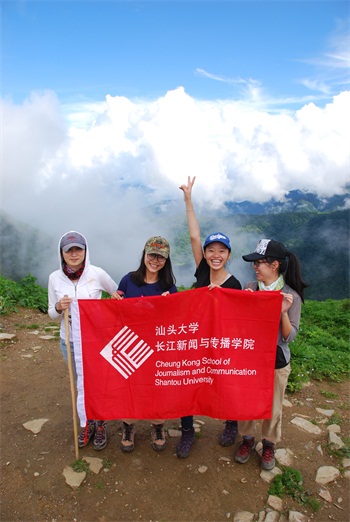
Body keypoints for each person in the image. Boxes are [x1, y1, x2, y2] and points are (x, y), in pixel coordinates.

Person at [178, 176, 242, 458]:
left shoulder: (234, 284)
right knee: (188, 383)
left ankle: (231, 423)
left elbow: (239, 319)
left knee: (224, 382)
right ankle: (188, 431)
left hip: (221, 343)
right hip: (195, 339)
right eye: (211, 250)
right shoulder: (202, 273)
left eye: (222, 251)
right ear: (205, 254)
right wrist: (188, 201)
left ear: (228, 255)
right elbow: (193, 235)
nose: (216, 255)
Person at [234, 238, 307, 470]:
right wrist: (242, 304)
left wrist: (283, 312)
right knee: (245, 401)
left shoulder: (290, 296)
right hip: (250, 358)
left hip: (276, 361)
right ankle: (247, 438)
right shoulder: (249, 287)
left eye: (259, 263)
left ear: (274, 265)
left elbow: (289, 337)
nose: (254, 267)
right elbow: (238, 326)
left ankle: (268, 444)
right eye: (254, 263)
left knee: (273, 406)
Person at [48, 231, 118, 451]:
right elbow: (51, 313)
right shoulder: (54, 278)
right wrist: (59, 307)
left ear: (86, 251)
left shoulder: (97, 274)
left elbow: (117, 295)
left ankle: (100, 424)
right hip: (68, 340)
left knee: (96, 383)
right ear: (62, 253)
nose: (74, 254)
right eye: (69, 250)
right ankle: (86, 423)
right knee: (80, 384)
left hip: (94, 341)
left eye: (78, 249)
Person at [115, 236, 177, 453]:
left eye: (161, 257)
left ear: (166, 260)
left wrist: (170, 304)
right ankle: (128, 425)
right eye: (152, 255)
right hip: (131, 344)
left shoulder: (169, 286)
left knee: (156, 387)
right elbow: (117, 311)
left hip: (158, 345)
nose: (155, 260)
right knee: (129, 386)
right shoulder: (128, 280)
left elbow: (176, 320)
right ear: (144, 254)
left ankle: (157, 425)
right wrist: (115, 304)